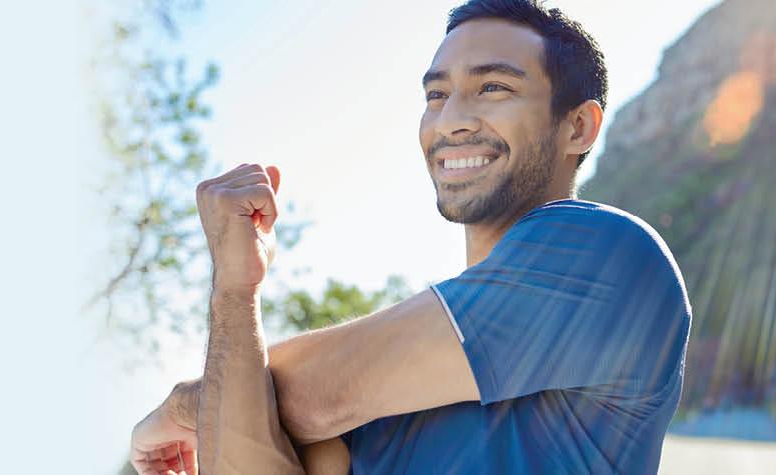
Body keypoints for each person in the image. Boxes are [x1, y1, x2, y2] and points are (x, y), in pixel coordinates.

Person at [128, 1, 691, 473]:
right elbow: (261, 424)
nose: (451, 122)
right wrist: (234, 288)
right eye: (436, 95)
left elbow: (309, 394)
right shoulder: (391, 406)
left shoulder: (607, 254)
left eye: (493, 87)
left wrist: (183, 406)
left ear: (577, 126)